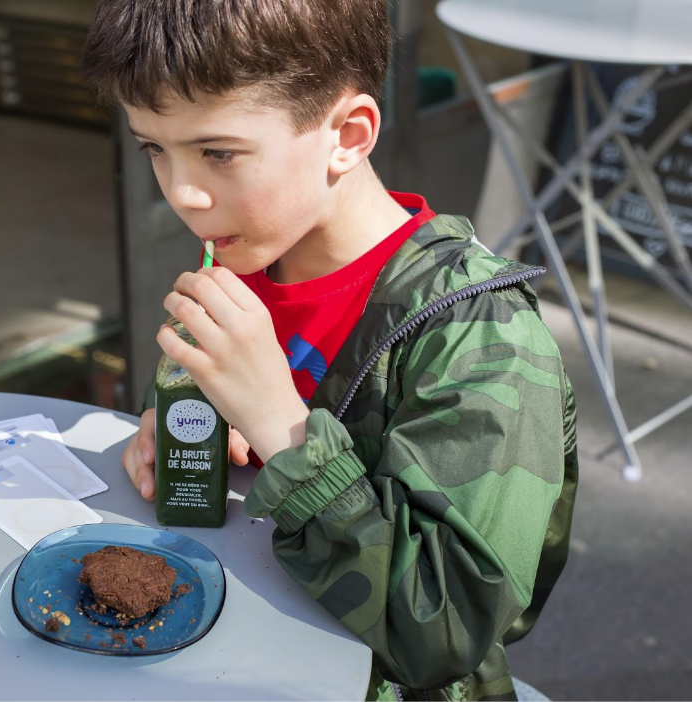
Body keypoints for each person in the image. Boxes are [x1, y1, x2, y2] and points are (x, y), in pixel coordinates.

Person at [82, 1, 578, 700]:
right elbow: (199, 416)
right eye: (153, 149)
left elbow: (445, 629)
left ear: (347, 135)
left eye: (218, 153)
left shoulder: (477, 332)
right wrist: (173, 424)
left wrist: (280, 426)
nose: (182, 193)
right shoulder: (246, 258)